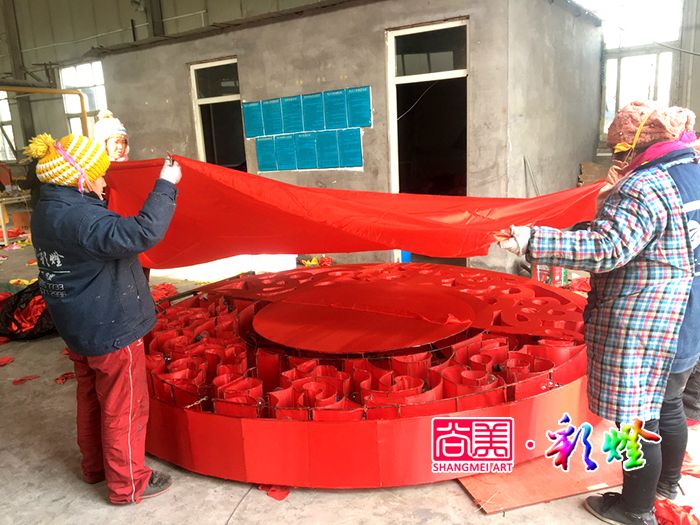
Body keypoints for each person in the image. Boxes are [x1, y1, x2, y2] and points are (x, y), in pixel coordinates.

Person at [500, 100, 700, 525]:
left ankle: (636, 509)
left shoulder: (646, 185)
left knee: (636, 419)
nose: (617, 159)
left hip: (648, 320)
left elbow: (607, 248)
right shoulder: (691, 173)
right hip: (687, 317)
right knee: (668, 403)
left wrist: (532, 241)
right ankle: (666, 485)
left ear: (638, 143)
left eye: (620, 149)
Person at [25, 132, 182, 505]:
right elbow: (143, 232)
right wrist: (166, 184)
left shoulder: (47, 209)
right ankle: (128, 484)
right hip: (111, 327)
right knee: (123, 407)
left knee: (91, 398)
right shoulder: (83, 219)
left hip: (77, 325)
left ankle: (95, 467)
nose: (103, 182)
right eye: (98, 175)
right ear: (78, 177)